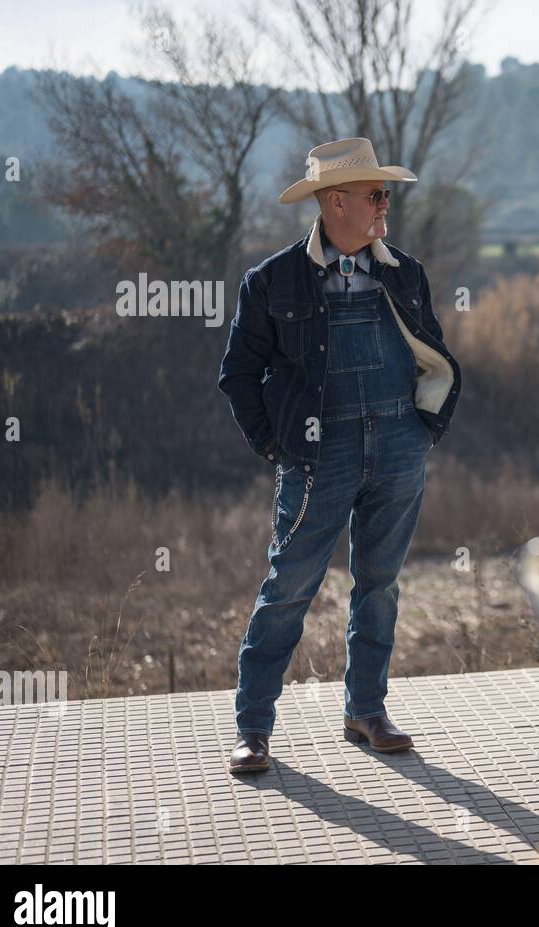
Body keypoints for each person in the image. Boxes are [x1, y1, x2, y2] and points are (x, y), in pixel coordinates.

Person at [217, 137, 461, 774]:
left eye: (386, 193)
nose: (386, 205)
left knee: (379, 587)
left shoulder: (404, 273)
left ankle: (366, 711)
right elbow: (238, 373)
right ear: (335, 202)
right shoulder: (271, 281)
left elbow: (429, 350)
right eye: (376, 194)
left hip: (399, 447)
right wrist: (275, 447)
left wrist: (425, 430)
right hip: (316, 459)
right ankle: (253, 730)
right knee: (289, 589)